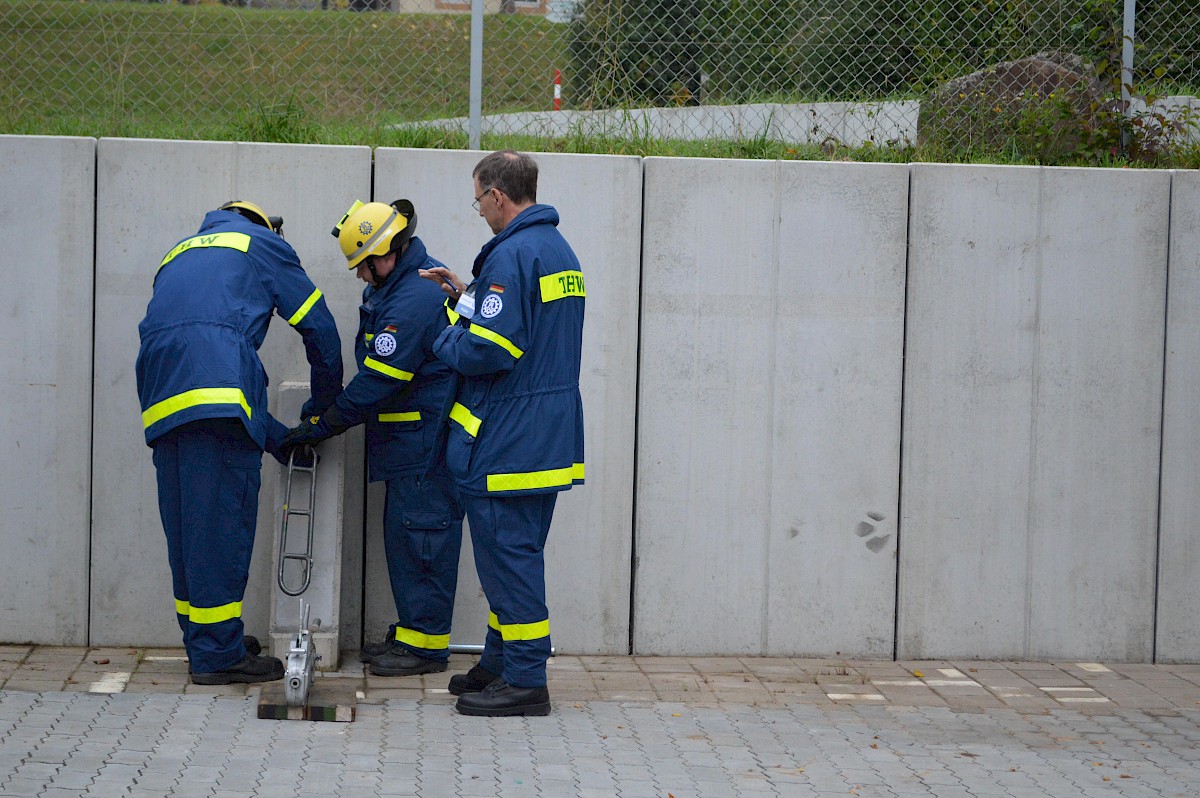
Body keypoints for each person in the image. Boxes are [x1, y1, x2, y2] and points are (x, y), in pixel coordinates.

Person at [136, 200, 343, 685]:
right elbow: (319, 327)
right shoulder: (260, 244)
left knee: (188, 525)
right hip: (217, 395)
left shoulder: (179, 252)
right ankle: (216, 657)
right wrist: (323, 409)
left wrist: (276, 438)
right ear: (262, 224)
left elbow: (199, 357)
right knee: (221, 527)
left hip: (162, 393)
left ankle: (208, 637)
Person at [419, 150, 586, 717]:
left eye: (478, 199)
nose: (480, 211)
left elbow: (490, 347)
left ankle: (525, 679)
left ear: (496, 195)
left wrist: (441, 335)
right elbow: (526, 328)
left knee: (509, 559)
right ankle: (499, 661)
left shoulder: (513, 254)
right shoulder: (556, 250)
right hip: (544, 434)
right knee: (511, 556)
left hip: (508, 439)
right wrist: (466, 295)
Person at [282, 199, 465, 677]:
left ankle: (425, 648)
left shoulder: (413, 298)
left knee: (424, 539)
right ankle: (413, 636)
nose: (360, 275)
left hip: (426, 443)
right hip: (412, 441)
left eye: (363, 264)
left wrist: (325, 423)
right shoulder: (403, 285)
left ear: (386, 251)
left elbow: (380, 380)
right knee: (409, 541)